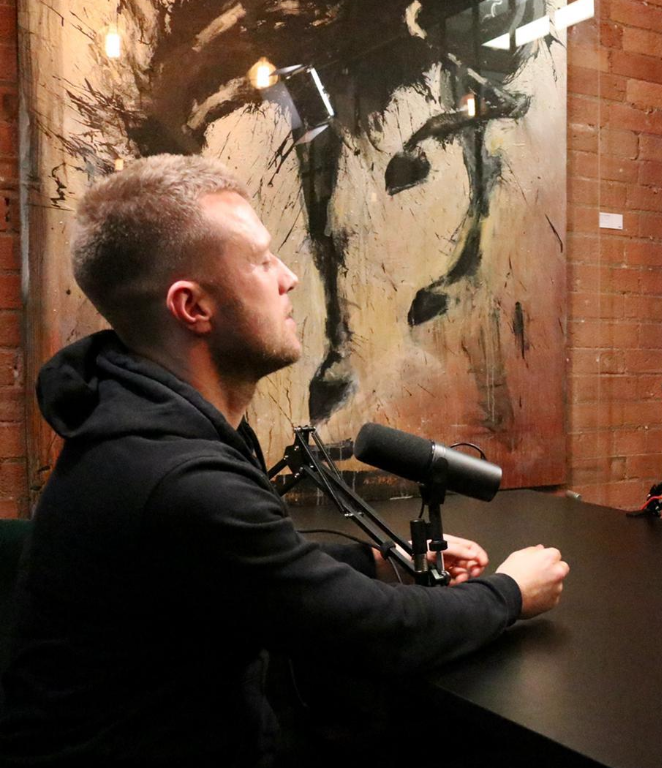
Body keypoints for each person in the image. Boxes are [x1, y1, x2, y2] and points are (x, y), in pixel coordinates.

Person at [0, 154, 569, 767]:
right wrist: (511, 592)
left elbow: (252, 571)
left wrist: (379, 559)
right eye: (261, 260)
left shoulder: (143, 421)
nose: (289, 277)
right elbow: (378, 633)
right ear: (193, 307)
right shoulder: (177, 479)